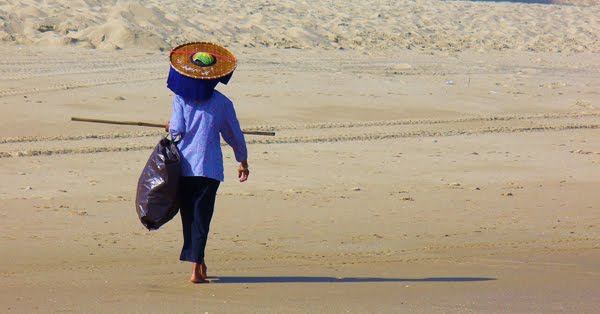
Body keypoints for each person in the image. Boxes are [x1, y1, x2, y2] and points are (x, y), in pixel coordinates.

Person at [165, 42, 249, 283]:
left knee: (190, 216)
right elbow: (234, 135)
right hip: (209, 170)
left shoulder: (180, 100)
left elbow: (177, 132)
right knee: (202, 217)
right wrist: (242, 161)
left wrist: (170, 128)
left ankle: (198, 265)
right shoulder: (223, 103)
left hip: (184, 168)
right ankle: (196, 268)